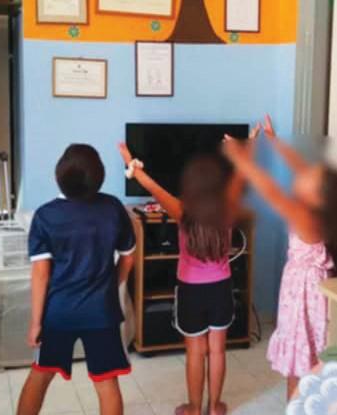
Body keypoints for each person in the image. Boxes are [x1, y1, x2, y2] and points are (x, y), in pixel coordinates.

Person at [117, 127, 257, 415]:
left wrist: (130, 162)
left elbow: (152, 186)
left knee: (195, 351)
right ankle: (215, 406)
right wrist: (250, 144)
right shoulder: (228, 204)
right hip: (221, 287)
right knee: (217, 350)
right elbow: (243, 172)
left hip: (192, 290)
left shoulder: (181, 209)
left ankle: (193, 408)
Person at [223, 116, 337, 400]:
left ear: (320, 197)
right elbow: (299, 166)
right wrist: (273, 141)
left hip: (303, 296)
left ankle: (297, 405)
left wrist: (240, 158)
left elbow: (271, 191)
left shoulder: (307, 217)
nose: (302, 174)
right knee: (308, 361)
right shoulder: (320, 209)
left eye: (310, 177)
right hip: (307, 290)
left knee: (300, 366)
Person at [17, 144, 136, 415]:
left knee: (40, 374)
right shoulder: (113, 208)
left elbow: (41, 274)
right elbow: (128, 258)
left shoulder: (46, 215)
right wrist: (113, 285)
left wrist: (35, 323)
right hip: (102, 312)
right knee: (106, 382)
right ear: (100, 177)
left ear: (57, 175)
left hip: (59, 313)